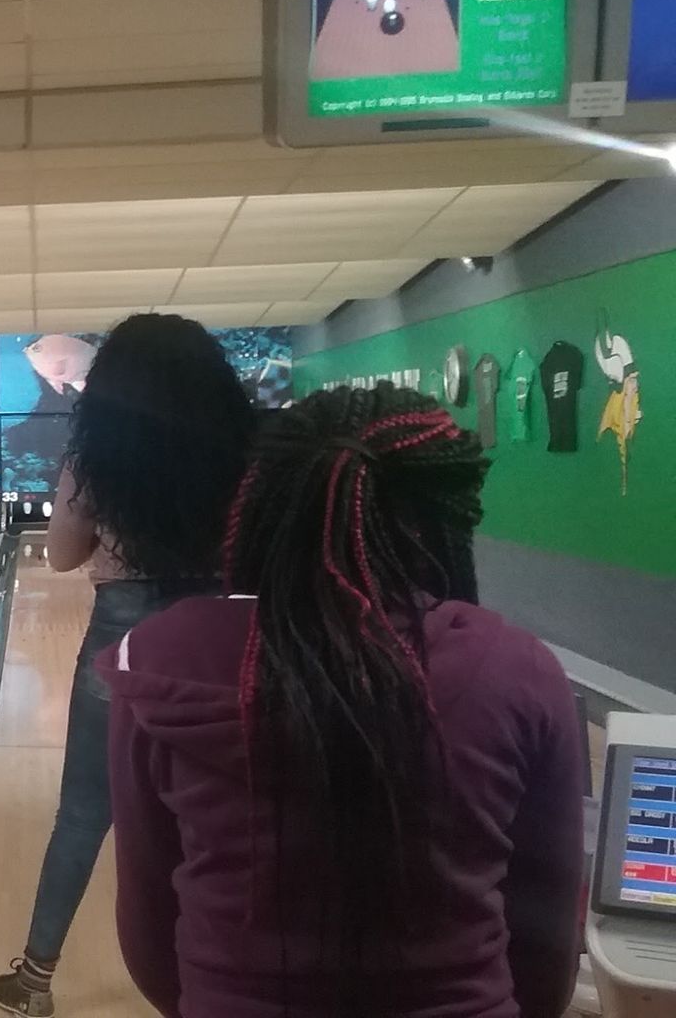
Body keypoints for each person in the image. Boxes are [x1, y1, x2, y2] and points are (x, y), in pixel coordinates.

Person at [98, 385, 583, 1017]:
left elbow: (150, 933)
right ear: (446, 519)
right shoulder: (520, 670)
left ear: (264, 505)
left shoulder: (155, 660)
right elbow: (548, 939)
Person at [0, 314, 256, 1016]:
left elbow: (61, 556)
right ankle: (226, 978)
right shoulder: (248, 451)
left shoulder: (96, 456)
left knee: (84, 813)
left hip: (125, 634)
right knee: (226, 807)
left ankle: (34, 981)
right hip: (228, 637)